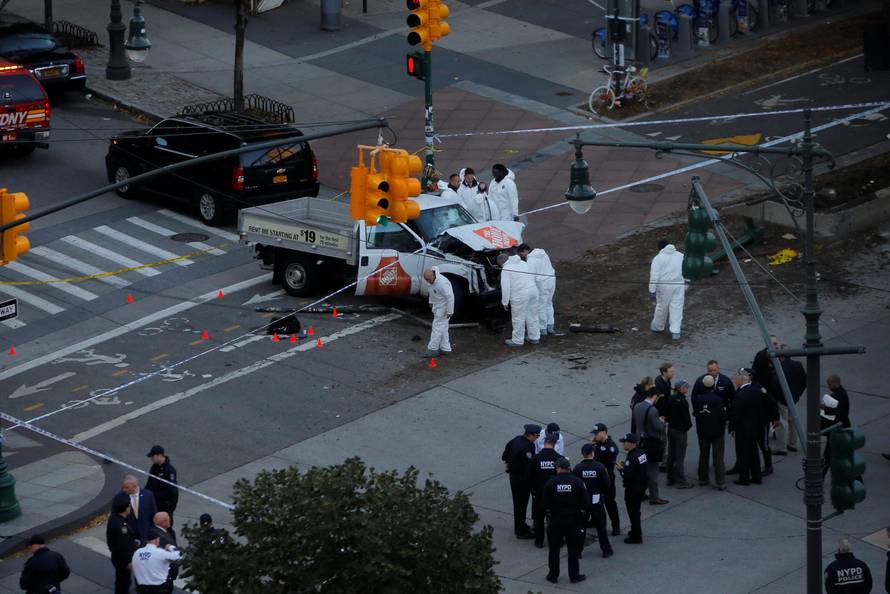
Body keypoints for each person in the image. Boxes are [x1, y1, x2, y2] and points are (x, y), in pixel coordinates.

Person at [542, 457, 588, 584]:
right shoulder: (578, 482)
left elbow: (544, 504)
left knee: (554, 549)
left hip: (556, 520)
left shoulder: (551, 483)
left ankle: (553, 575)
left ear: (559, 468)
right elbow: (585, 503)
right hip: (573, 520)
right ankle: (574, 576)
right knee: (573, 550)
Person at [572, 444, 613, 558]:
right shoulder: (600, 467)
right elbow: (607, 485)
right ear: (593, 453)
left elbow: (575, 486)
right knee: (601, 528)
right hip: (597, 501)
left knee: (581, 528)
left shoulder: (577, 468)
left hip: (582, 502)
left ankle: (578, 551)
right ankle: (606, 550)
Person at [501, 424, 541, 539]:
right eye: (537, 436)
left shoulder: (515, 440)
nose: (537, 438)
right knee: (520, 505)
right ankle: (520, 531)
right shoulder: (527, 448)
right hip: (522, 480)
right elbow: (529, 467)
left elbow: (504, 456)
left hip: (513, 477)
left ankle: (521, 525)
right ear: (532, 435)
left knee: (518, 503)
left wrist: (510, 464)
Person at [632, 387, 669, 504]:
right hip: (651, 443)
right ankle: (654, 497)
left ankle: (640, 493)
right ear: (654, 396)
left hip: (639, 442)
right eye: (658, 397)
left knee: (642, 470)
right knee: (653, 471)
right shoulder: (652, 410)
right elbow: (658, 427)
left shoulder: (637, 406)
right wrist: (662, 421)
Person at [693, 374, 728, 489]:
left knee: (703, 455)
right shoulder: (717, 400)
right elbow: (723, 416)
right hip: (717, 431)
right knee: (718, 457)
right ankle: (720, 481)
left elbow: (697, 413)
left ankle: (703, 478)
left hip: (703, 431)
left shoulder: (698, 399)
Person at [498, 252, 540, 347]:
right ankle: (534, 337)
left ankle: (517, 340)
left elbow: (505, 287)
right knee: (532, 315)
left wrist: (505, 302)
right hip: (533, 290)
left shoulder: (506, 269)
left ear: (501, 263)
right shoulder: (523, 263)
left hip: (520, 294)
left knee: (518, 318)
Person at [649, 239, 687, 340]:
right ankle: (676, 331)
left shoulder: (658, 259)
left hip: (664, 286)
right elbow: (686, 269)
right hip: (679, 284)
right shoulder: (680, 255)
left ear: (660, 247)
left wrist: (652, 290)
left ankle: (658, 326)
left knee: (662, 306)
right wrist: (686, 281)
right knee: (677, 307)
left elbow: (654, 276)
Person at [730, 373, 763, 486]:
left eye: (736, 380)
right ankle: (756, 476)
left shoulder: (740, 395)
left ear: (741, 381)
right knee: (754, 452)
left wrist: (731, 427)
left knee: (742, 454)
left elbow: (736, 414)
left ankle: (744, 478)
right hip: (755, 427)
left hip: (742, 430)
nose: (735, 382)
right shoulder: (757, 391)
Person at [530, 433, 561, 548]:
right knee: (554, 518)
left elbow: (529, 476)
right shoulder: (558, 458)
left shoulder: (536, 458)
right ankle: (555, 540)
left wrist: (533, 490)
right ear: (554, 444)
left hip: (539, 493)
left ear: (544, 443)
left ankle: (539, 541)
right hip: (555, 495)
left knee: (538, 518)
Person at [517, 243, 556, 335]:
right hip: (551, 279)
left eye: (521, 254)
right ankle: (550, 326)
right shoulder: (543, 253)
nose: (522, 257)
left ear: (524, 251)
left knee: (541, 306)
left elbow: (531, 276)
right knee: (549, 303)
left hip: (542, 283)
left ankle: (542, 329)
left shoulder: (531, 260)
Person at [590, 423, 621, 536]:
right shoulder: (597, 444)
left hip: (607, 479)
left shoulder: (611, 446)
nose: (595, 436)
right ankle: (594, 520)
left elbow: (607, 465)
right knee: (594, 501)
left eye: (597, 433)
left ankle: (616, 526)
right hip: (596, 478)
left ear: (604, 432)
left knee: (609, 503)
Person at [617, 433, 647, 544]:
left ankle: (636, 536)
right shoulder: (641, 453)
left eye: (624, 442)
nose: (623, 444)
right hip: (641, 486)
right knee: (636, 511)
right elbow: (638, 469)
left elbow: (627, 476)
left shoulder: (632, 456)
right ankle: (635, 530)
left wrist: (621, 469)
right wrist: (627, 466)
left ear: (631, 444)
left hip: (633, 489)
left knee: (633, 512)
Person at [106, 492, 140, 594]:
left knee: (121, 581)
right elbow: (124, 547)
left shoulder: (113, 518)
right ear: (126, 508)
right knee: (123, 583)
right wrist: (128, 561)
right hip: (123, 560)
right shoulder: (122, 527)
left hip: (117, 557)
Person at [131, 529, 181, 594]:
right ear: (157, 539)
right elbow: (179, 556)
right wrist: (170, 547)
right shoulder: (160, 552)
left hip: (141, 589)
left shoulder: (137, 553)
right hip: (159, 589)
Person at [665, 379, 695, 488]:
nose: (687, 388)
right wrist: (687, 427)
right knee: (680, 457)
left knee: (671, 454)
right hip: (680, 431)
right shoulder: (683, 401)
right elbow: (686, 419)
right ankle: (681, 481)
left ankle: (670, 478)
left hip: (671, 429)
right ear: (680, 388)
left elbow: (666, 414)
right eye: (686, 387)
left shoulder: (671, 398)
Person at [776, 347, 806, 453]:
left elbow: (776, 384)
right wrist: (798, 394)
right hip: (794, 398)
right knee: (793, 421)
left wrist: (778, 397)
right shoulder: (798, 365)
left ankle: (782, 447)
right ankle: (792, 444)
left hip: (782, 399)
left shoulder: (780, 367)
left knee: (782, 423)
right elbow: (804, 381)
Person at [822, 373, 852, 477]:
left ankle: (820, 477)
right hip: (840, 428)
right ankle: (856, 476)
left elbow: (839, 411)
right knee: (844, 455)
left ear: (835, 384)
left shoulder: (840, 395)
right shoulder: (841, 393)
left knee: (828, 455)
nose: (829, 387)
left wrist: (824, 408)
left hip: (838, 429)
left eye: (830, 384)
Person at [422, 267, 455, 356]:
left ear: (433, 275)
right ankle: (445, 348)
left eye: (429, 280)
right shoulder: (432, 280)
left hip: (443, 308)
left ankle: (432, 349)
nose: (428, 282)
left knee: (437, 328)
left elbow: (450, 297)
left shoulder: (442, 283)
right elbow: (431, 291)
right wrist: (431, 302)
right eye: (427, 280)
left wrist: (449, 311)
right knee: (442, 328)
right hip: (438, 307)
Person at [145, 446, 178, 524]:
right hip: (154, 505)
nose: (151, 459)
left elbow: (173, 492)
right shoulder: (154, 468)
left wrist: (170, 509)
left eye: (153, 456)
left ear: (160, 455)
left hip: (164, 507)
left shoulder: (169, 471)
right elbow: (149, 484)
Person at [122, 475, 158, 543]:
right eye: (123, 487)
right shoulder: (121, 497)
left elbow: (153, 514)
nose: (124, 489)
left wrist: (152, 532)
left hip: (146, 536)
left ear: (135, 486)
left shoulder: (148, 495)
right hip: (130, 537)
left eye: (126, 487)